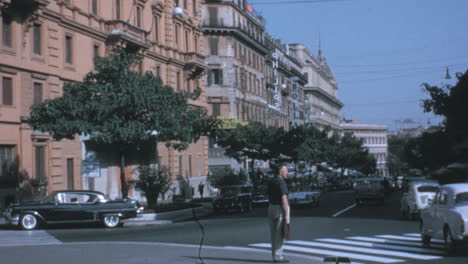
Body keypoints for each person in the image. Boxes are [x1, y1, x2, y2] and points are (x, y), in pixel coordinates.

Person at [267, 165, 290, 263]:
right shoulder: (281, 182)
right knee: (280, 233)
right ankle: (278, 256)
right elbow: (284, 199)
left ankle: (274, 255)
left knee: (273, 233)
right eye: (286, 171)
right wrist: (287, 214)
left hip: (271, 207)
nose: (287, 173)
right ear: (281, 172)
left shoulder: (271, 181)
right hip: (279, 208)